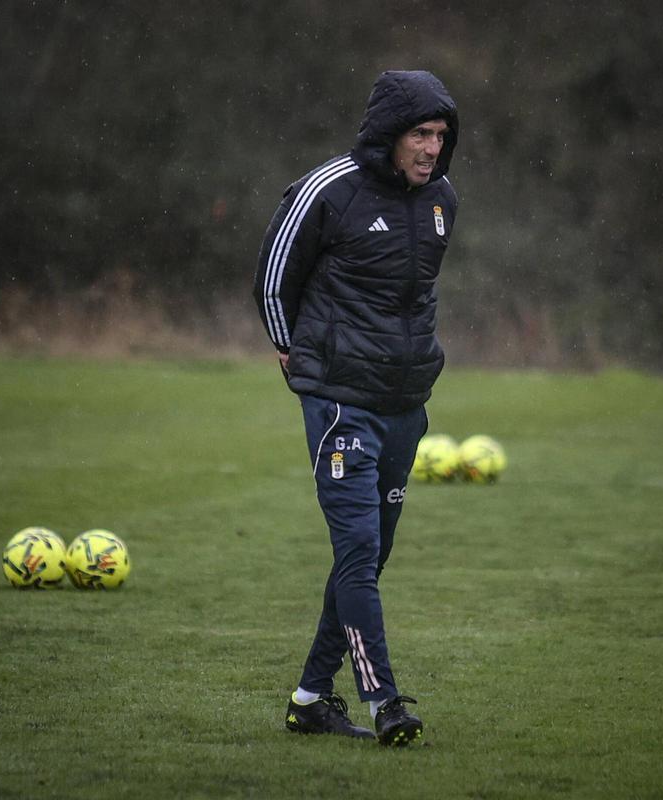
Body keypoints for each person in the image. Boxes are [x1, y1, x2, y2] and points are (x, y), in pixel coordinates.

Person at [252, 70, 459, 746]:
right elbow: (274, 277)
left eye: (441, 135)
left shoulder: (443, 201)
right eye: (420, 134)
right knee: (359, 550)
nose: (432, 148)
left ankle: (311, 698)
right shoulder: (328, 189)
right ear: (390, 134)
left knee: (369, 557)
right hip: (340, 403)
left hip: (405, 404)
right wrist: (289, 348)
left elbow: (415, 300)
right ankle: (384, 701)